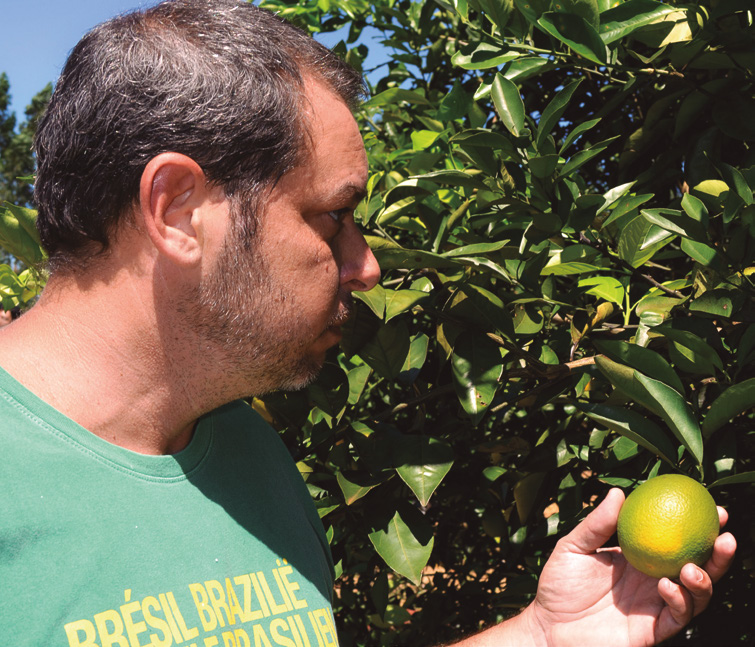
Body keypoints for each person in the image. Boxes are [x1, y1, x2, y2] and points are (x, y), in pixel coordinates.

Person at [0, 1, 735, 646]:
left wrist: (543, 635)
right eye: (333, 218)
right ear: (178, 210)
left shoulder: (245, 452)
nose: (366, 266)